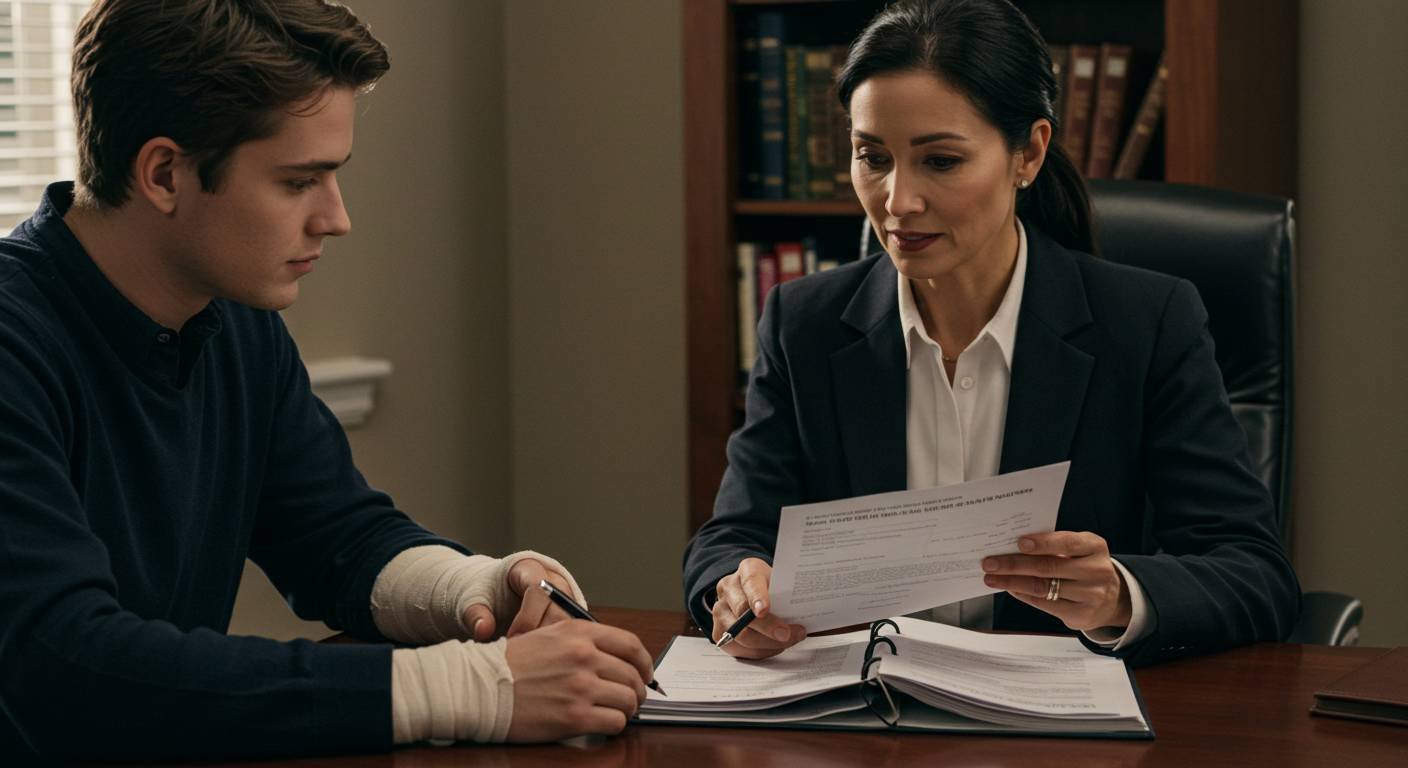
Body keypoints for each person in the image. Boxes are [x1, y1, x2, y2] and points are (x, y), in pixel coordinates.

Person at [0, 0, 652, 761]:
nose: (335, 218)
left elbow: (336, 539)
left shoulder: (232, 322)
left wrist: (477, 590)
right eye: (298, 180)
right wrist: (474, 687)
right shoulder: (16, 343)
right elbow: (64, 663)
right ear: (164, 173)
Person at [683, 0, 1300, 667]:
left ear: (1028, 153)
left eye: (940, 162)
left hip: (1058, 727)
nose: (898, 202)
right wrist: (738, 586)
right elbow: (733, 534)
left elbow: (1254, 573)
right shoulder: (803, 324)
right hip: (862, 718)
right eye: (873, 158)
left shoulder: (1147, 324)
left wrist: (1120, 595)